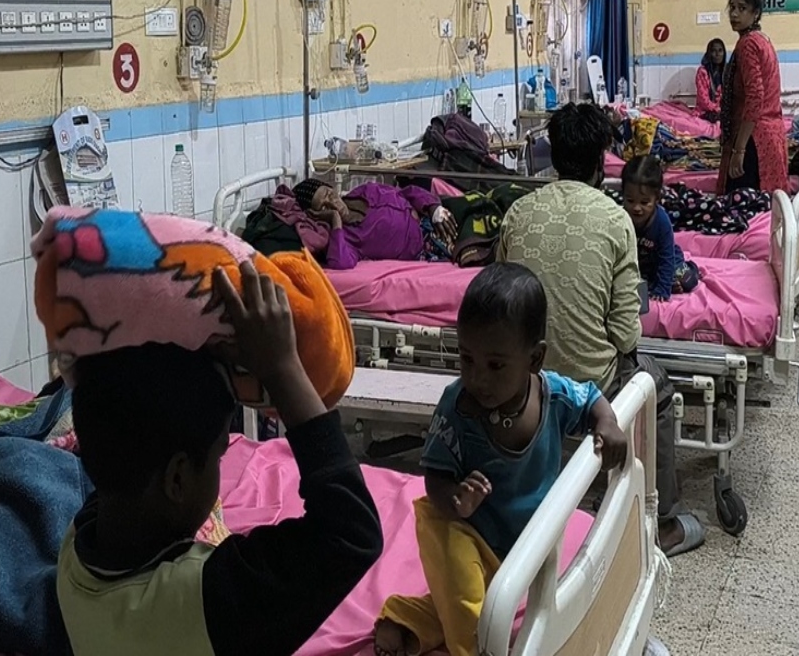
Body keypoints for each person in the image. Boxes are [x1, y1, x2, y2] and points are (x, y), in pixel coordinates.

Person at [57, 261, 384, 656]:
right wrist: (282, 368)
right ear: (178, 479)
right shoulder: (201, 604)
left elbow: (114, 390)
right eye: (218, 458)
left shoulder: (76, 551)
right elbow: (351, 535)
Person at [373, 263, 627, 656]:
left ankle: (405, 619)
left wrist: (607, 422)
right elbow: (434, 476)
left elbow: (593, 399)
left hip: (518, 545)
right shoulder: (457, 409)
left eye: (495, 365)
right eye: (466, 359)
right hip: (464, 530)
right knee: (466, 601)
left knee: (474, 604)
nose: (478, 378)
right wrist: (456, 499)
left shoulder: (554, 397)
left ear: (535, 359)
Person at [497, 102, 704, 557]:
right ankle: (661, 521)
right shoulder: (615, 220)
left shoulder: (518, 212)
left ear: (554, 156)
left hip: (523, 376)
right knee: (657, 390)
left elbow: (501, 293)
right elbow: (626, 333)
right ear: (599, 162)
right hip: (589, 380)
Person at [718, 0, 789, 194]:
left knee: (742, 207)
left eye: (742, 8)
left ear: (756, 13)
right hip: (770, 136)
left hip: (753, 140)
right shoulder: (763, 40)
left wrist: (739, 149)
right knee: (766, 208)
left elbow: (755, 97)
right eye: (732, 7)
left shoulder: (748, 44)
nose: (734, 14)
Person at [293, 177, 457, 269]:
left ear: (333, 189)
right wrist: (335, 221)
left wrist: (434, 208)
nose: (332, 204)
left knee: (469, 209)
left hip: (433, 216)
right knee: (469, 248)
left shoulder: (365, 190)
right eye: (323, 207)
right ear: (317, 215)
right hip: (428, 248)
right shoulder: (347, 238)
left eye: (330, 194)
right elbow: (341, 262)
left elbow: (407, 192)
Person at [621, 156, 699, 300]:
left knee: (687, 280)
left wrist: (663, 289)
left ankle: (691, 267)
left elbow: (666, 258)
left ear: (657, 199)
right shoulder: (620, 217)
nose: (636, 208)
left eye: (644, 202)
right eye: (630, 200)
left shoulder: (662, 222)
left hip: (666, 259)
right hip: (642, 265)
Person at [695, 38, 727, 123]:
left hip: (722, 112)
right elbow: (703, 100)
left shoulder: (726, 71)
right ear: (709, 53)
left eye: (720, 51)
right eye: (714, 51)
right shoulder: (703, 72)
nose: (717, 54)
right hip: (705, 112)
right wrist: (717, 109)